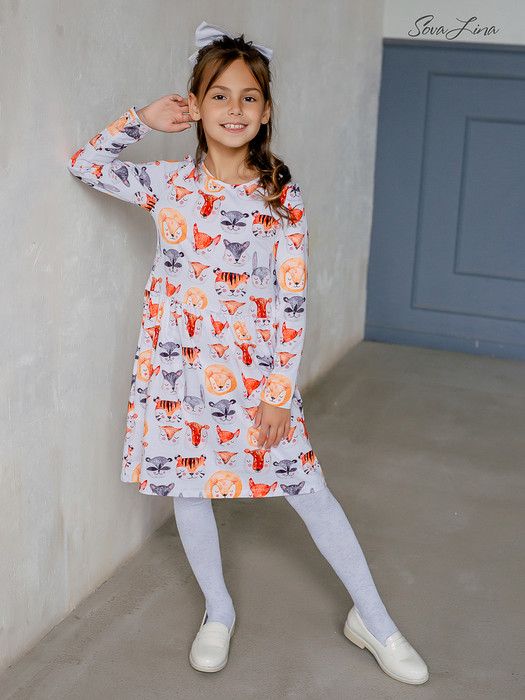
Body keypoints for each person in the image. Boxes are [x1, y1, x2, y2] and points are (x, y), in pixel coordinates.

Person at [67, 20, 428, 685]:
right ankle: (218, 609)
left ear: (265, 112)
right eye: (220, 95)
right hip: (177, 373)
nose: (234, 109)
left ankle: (375, 621)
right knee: (189, 488)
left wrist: (278, 392)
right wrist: (141, 119)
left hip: (256, 380)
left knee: (309, 489)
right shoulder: (167, 183)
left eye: (249, 97)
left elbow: (291, 301)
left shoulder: (280, 196)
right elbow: (86, 166)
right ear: (195, 105)